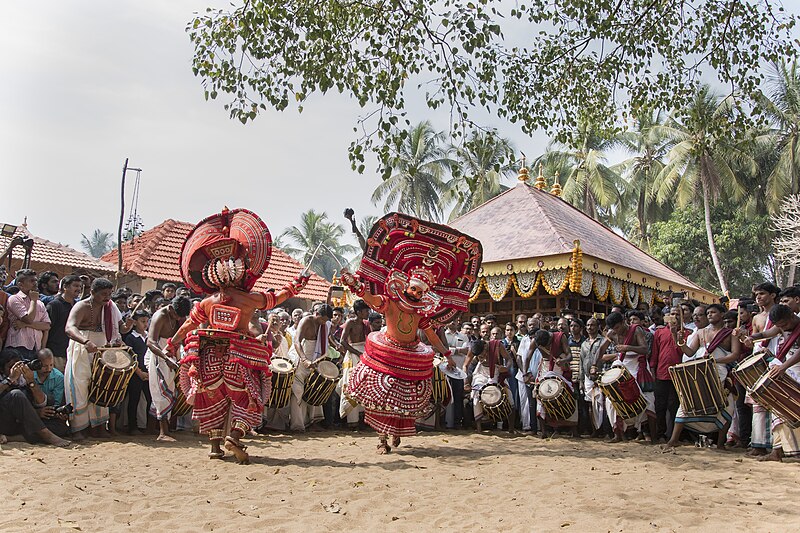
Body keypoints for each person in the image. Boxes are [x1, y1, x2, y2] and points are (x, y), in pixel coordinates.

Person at [168, 208, 310, 463]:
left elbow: (188, 326)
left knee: (213, 397)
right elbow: (276, 298)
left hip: (208, 357)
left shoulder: (207, 303)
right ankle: (234, 435)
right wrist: (296, 285)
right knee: (249, 399)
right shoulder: (248, 299)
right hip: (239, 358)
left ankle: (214, 448)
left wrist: (172, 344)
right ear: (241, 270)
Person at [339, 212, 481, 453]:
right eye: (414, 289)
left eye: (419, 292)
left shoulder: (421, 313)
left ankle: (396, 431)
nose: (415, 294)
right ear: (406, 285)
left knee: (407, 397)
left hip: (411, 355)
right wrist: (356, 286)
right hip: (386, 351)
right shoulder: (390, 301)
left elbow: (433, 336)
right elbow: (371, 298)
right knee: (381, 396)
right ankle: (382, 439)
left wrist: (446, 354)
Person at [663, 304, 740, 451]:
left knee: (727, 405)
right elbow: (690, 352)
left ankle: (720, 444)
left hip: (720, 371)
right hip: (701, 371)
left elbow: (735, 355)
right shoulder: (700, 333)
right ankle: (673, 440)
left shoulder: (731, 334)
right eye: (708, 313)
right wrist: (675, 336)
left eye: (713, 312)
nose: (710, 315)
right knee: (687, 402)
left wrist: (715, 361)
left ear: (722, 314)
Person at [64, 277, 126, 439]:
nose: (107, 297)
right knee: (80, 386)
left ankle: (97, 427)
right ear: (92, 292)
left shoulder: (110, 308)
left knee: (100, 384)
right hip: (82, 347)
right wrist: (85, 341)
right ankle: (78, 428)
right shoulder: (82, 306)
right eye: (103, 294)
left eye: (109, 294)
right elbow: (70, 328)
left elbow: (119, 329)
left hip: (101, 348)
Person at [599, 311, 658, 443]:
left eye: (617, 327)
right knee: (612, 399)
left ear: (623, 322)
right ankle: (618, 434)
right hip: (621, 366)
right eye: (613, 329)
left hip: (638, 366)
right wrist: (593, 364)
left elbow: (645, 350)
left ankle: (653, 437)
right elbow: (601, 350)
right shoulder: (611, 333)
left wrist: (627, 347)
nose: (616, 331)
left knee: (648, 400)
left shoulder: (636, 330)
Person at [0, 348, 70, 446]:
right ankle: (46, 435)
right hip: (5, 420)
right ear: (2, 369)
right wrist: (10, 379)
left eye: (17, 366)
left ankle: (10, 438)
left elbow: (43, 402)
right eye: (11, 367)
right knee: (16, 394)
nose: (15, 370)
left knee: (60, 426)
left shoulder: (23, 378)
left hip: (21, 423)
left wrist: (31, 381)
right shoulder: (7, 377)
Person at [757, 304, 800, 462]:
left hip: (794, 370)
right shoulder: (781, 325)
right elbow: (767, 333)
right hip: (783, 369)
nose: (783, 328)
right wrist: (751, 338)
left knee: (793, 411)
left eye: (784, 325)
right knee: (778, 410)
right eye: (780, 326)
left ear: (791, 315)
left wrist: (783, 367)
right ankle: (777, 451)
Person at [146, 297, 192, 441]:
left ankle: (161, 429)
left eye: (181, 316)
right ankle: (162, 433)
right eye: (176, 315)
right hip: (158, 354)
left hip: (173, 353)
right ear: (171, 308)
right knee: (160, 392)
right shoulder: (159, 316)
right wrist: (165, 358)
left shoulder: (180, 317)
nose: (178, 318)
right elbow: (150, 342)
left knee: (170, 390)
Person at [746, 282, 781, 456]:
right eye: (756, 295)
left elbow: (775, 334)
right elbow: (752, 340)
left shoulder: (781, 313)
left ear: (773, 295)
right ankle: (758, 444)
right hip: (757, 360)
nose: (758, 297)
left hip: (775, 359)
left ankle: (778, 447)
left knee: (776, 403)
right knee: (757, 403)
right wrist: (745, 339)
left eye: (761, 294)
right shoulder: (756, 318)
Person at [288, 304, 334, 432]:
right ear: (317, 314)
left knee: (314, 388)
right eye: (323, 319)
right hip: (301, 357)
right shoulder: (306, 321)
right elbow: (297, 341)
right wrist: (304, 359)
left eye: (326, 321)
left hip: (315, 358)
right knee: (298, 390)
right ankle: (297, 425)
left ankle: (312, 421)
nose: (324, 323)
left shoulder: (323, 325)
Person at [650, 310, 692, 442]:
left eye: (677, 314)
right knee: (660, 405)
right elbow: (655, 353)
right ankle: (660, 433)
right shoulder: (659, 332)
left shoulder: (687, 333)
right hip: (661, 373)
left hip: (678, 374)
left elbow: (684, 352)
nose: (674, 317)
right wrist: (653, 369)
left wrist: (675, 335)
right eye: (672, 314)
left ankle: (674, 435)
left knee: (675, 405)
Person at [463, 328, 514, 432]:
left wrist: (506, 368)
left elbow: (509, 360)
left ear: (485, 347)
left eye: (483, 354)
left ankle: (511, 428)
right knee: (476, 395)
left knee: (509, 396)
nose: (483, 357)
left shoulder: (497, 345)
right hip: (481, 373)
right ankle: (479, 428)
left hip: (496, 371)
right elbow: (465, 366)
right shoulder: (473, 348)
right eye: (479, 356)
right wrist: (466, 382)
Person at [338, 300, 371, 429]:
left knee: (365, 385)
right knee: (350, 385)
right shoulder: (350, 322)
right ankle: (352, 421)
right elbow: (343, 341)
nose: (368, 313)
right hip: (353, 355)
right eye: (366, 311)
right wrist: (357, 352)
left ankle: (363, 418)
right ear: (359, 312)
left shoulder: (365, 324)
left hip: (363, 354)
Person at [5, 269, 51, 361]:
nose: (35, 283)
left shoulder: (40, 303)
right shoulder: (14, 299)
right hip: (19, 346)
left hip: (36, 348)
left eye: (35, 280)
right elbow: (28, 319)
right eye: (31, 281)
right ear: (20, 284)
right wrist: (33, 300)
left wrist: (25, 325)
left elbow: (47, 326)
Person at [45, 275, 82, 373]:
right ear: (65, 287)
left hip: (73, 352)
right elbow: (47, 329)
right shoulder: (54, 305)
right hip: (57, 353)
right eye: (75, 286)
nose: (78, 289)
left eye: (80, 287)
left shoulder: (78, 306)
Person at [580, 317, 606, 438]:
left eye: (592, 325)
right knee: (590, 404)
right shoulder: (584, 343)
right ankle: (594, 430)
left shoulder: (603, 341)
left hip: (601, 376)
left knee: (603, 404)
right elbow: (581, 362)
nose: (590, 327)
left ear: (598, 327)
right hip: (587, 377)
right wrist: (581, 380)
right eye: (588, 325)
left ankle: (604, 430)